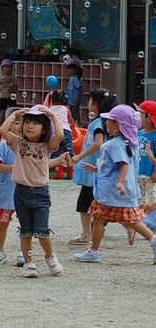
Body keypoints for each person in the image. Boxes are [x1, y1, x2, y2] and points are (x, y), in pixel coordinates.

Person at [73, 105, 156, 264]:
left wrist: (119, 182)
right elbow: (115, 165)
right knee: (129, 221)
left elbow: (122, 164)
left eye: (110, 120)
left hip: (110, 193)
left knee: (99, 217)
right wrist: (97, 169)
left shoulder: (114, 144)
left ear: (118, 124)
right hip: (117, 193)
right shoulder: (129, 143)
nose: (106, 123)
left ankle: (94, 251)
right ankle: (152, 240)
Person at [0, 105, 64, 279]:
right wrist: (14, 115)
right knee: (25, 230)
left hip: (41, 193)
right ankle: (28, 262)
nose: (30, 126)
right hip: (21, 192)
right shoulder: (18, 142)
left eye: (36, 123)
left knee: (42, 231)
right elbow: (3, 130)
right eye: (27, 122)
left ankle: (50, 257)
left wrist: (51, 115)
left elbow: (59, 135)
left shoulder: (47, 146)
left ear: (44, 128)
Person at [68, 89, 118, 245]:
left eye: (90, 101)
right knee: (95, 201)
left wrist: (79, 156)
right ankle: (93, 229)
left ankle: (86, 234)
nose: (88, 104)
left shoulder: (97, 123)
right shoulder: (105, 122)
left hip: (93, 169)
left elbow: (98, 143)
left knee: (84, 203)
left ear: (96, 105)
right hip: (98, 169)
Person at [0, 107, 24, 267]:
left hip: (23, 189)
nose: (20, 127)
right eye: (16, 122)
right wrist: (14, 168)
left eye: (24, 123)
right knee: (2, 222)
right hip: (5, 191)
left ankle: (23, 251)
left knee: (25, 223)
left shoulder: (28, 146)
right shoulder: (2, 146)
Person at [44, 89, 75, 179]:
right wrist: (73, 126)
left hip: (55, 132)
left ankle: (59, 172)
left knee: (56, 153)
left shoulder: (49, 109)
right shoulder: (66, 109)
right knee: (68, 152)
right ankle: (70, 172)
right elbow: (71, 121)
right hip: (66, 131)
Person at [134, 100, 156, 207]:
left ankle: (151, 222)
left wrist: (155, 172)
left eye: (141, 114)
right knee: (139, 201)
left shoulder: (155, 136)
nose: (139, 117)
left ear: (149, 117)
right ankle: (141, 222)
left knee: (152, 201)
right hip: (138, 173)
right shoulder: (137, 133)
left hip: (150, 175)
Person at [0, 59, 17, 126]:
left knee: (12, 110)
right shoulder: (0, 77)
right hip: (3, 96)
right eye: (6, 67)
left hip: (11, 96)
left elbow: (16, 86)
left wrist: (14, 91)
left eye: (10, 67)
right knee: (2, 110)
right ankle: (0, 124)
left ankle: (11, 124)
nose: (8, 69)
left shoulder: (13, 77)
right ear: (2, 68)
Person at [65, 58, 84, 126]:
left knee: (76, 114)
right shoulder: (71, 78)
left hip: (74, 101)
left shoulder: (75, 78)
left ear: (76, 69)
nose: (69, 70)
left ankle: (78, 125)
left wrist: (77, 98)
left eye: (71, 68)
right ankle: (74, 125)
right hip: (71, 100)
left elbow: (79, 88)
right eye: (68, 68)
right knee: (72, 114)